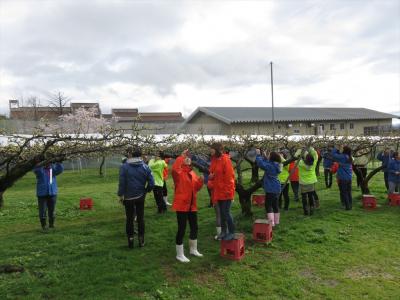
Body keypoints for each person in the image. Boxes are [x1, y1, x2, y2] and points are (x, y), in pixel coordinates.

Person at [118, 147, 154, 248]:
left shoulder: (124, 167)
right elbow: (151, 183)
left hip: (128, 197)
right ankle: (141, 239)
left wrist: (121, 195)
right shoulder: (145, 167)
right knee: (141, 218)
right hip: (140, 196)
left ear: (130, 155)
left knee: (129, 219)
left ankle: (130, 240)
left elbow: (122, 183)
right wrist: (146, 190)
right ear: (140, 155)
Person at [172, 150, 204, 262]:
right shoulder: (179, 174)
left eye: (189, 157)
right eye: (186, 157)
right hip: (182, 205)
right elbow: (175, 169)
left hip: (191, 206)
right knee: (182, 229)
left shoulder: (192, 173)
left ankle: (193, 249)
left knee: (194, 227)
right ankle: (179, 254)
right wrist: (181, 156)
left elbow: (195, 189)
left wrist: (200, 182)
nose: (188, 159)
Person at [208, 142, 236, 241]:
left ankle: (232, 232)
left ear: (217, 150)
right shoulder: (215, 160)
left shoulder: (225, 160)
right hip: (218, 191)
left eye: (212, 149)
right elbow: (213, 172)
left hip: (226, 191)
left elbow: (229, 178)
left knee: (226, 212)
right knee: (221, 212)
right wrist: (211, 177)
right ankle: (224, 232)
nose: (210, 150)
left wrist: (229, 193)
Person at [33, 161, 64, 231]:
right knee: (42, 211)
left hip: (52, 193)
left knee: (52, 210)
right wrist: (40, 163)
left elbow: (60, 169)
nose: (48, 164)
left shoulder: (51, 170)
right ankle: (44, 226)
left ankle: (51, 225)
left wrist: (59, 162)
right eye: (46, 162)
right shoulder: (40, 171)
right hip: (42, 194)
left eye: (49, 162)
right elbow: (37, 169)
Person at [256, 149, 281, 226]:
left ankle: (271, 223)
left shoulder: (270, 166)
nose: (268, 156)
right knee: (275, 205)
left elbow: (261, 164)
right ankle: (276, 221)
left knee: (268, 205)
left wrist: (258, 155)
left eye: (269, 155)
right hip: (277, 187)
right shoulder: (277, 165)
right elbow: (268, 163)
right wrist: (265, 157)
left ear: (272, 158)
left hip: (270, 188)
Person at [297, 147, 318, 216]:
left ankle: (306, 210)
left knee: (304, 197)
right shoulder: (314, 163)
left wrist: (299, 150)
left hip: (303, 183)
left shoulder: (301, 164)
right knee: (310, 195)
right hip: (311, 182)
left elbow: (296, 158)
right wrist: (310, 148)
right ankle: (312, 208)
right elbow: (315, 155)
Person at [331, 145, 353, 210]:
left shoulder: (343, 157)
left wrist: (336, 148)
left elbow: (333, 155)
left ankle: (347, 206)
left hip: (343, 178)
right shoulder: (350, 157)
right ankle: (350, 205)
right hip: (349, 177)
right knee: (348, 192)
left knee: (344, 192)